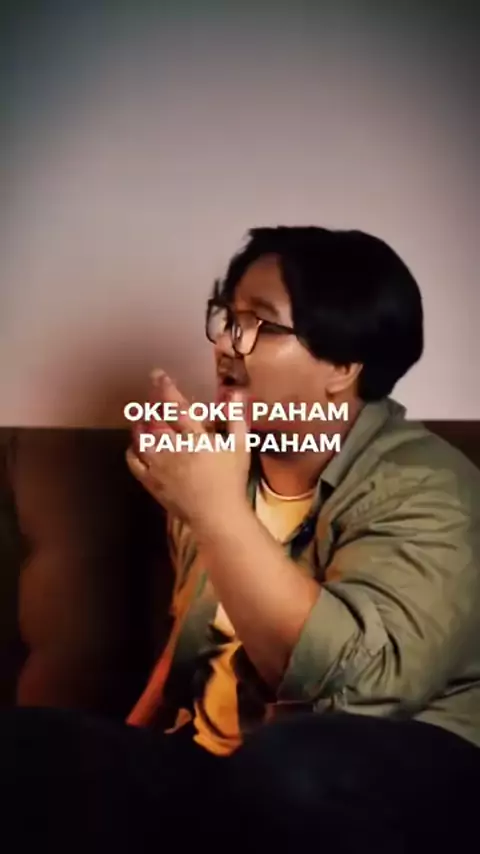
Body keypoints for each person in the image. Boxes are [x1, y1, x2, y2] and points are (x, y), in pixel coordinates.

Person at [3, 226, 480, 851]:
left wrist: (218, 513)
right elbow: (192, 639)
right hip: (218, 771)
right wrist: (122, 745)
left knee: (289, 763)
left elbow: (365, 689)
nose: (228, 342)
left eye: (260, 324)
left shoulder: (428, 486)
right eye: (227, 318)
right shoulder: (219, 464)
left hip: (397, 768)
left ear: (343, 366)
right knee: (27, 746)